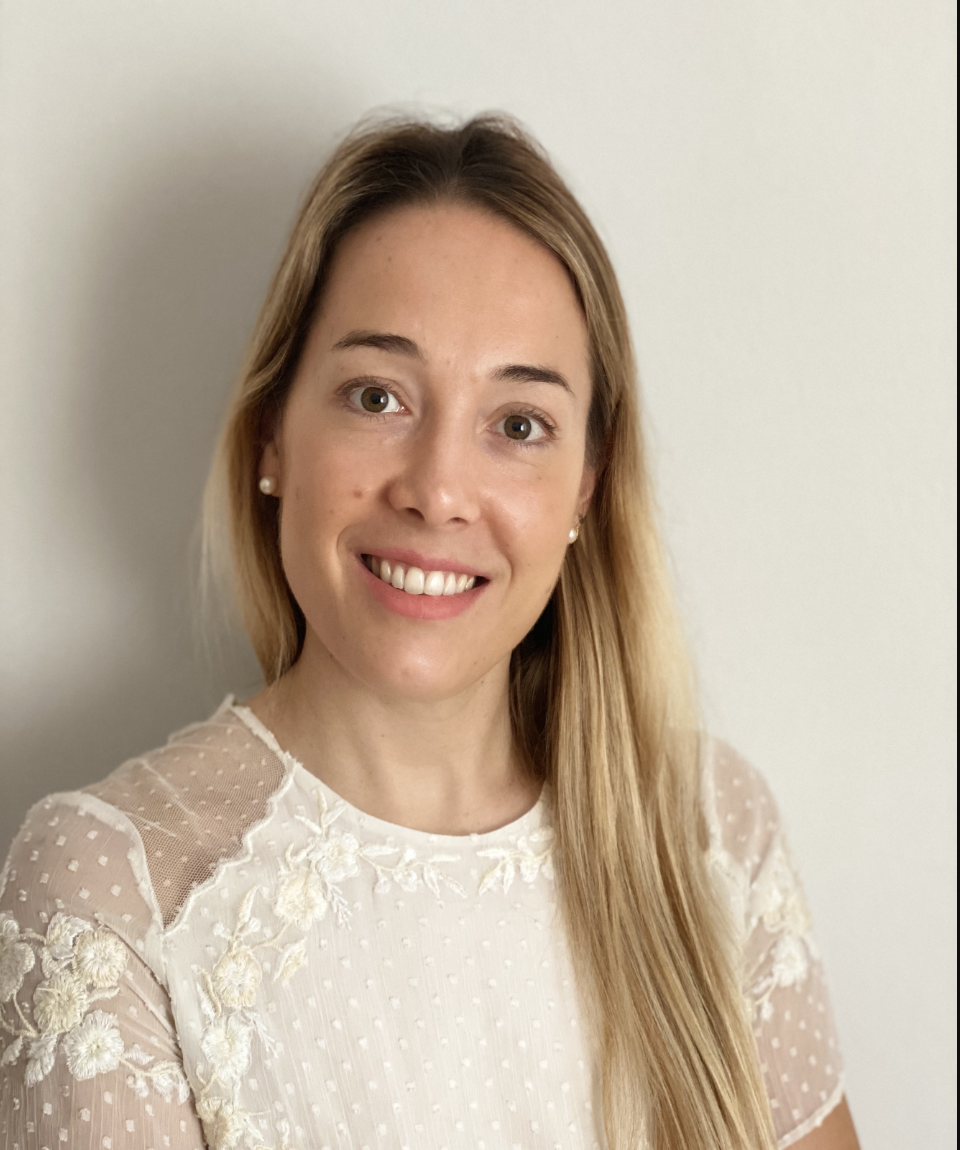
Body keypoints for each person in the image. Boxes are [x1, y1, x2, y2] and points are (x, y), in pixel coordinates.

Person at [0, 115, 859, 1150]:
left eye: (518, 424)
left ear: (586, 487)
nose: (439, 490)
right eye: (378, 397)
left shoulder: (711, 832)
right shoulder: (115, 885)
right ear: (273, 436)